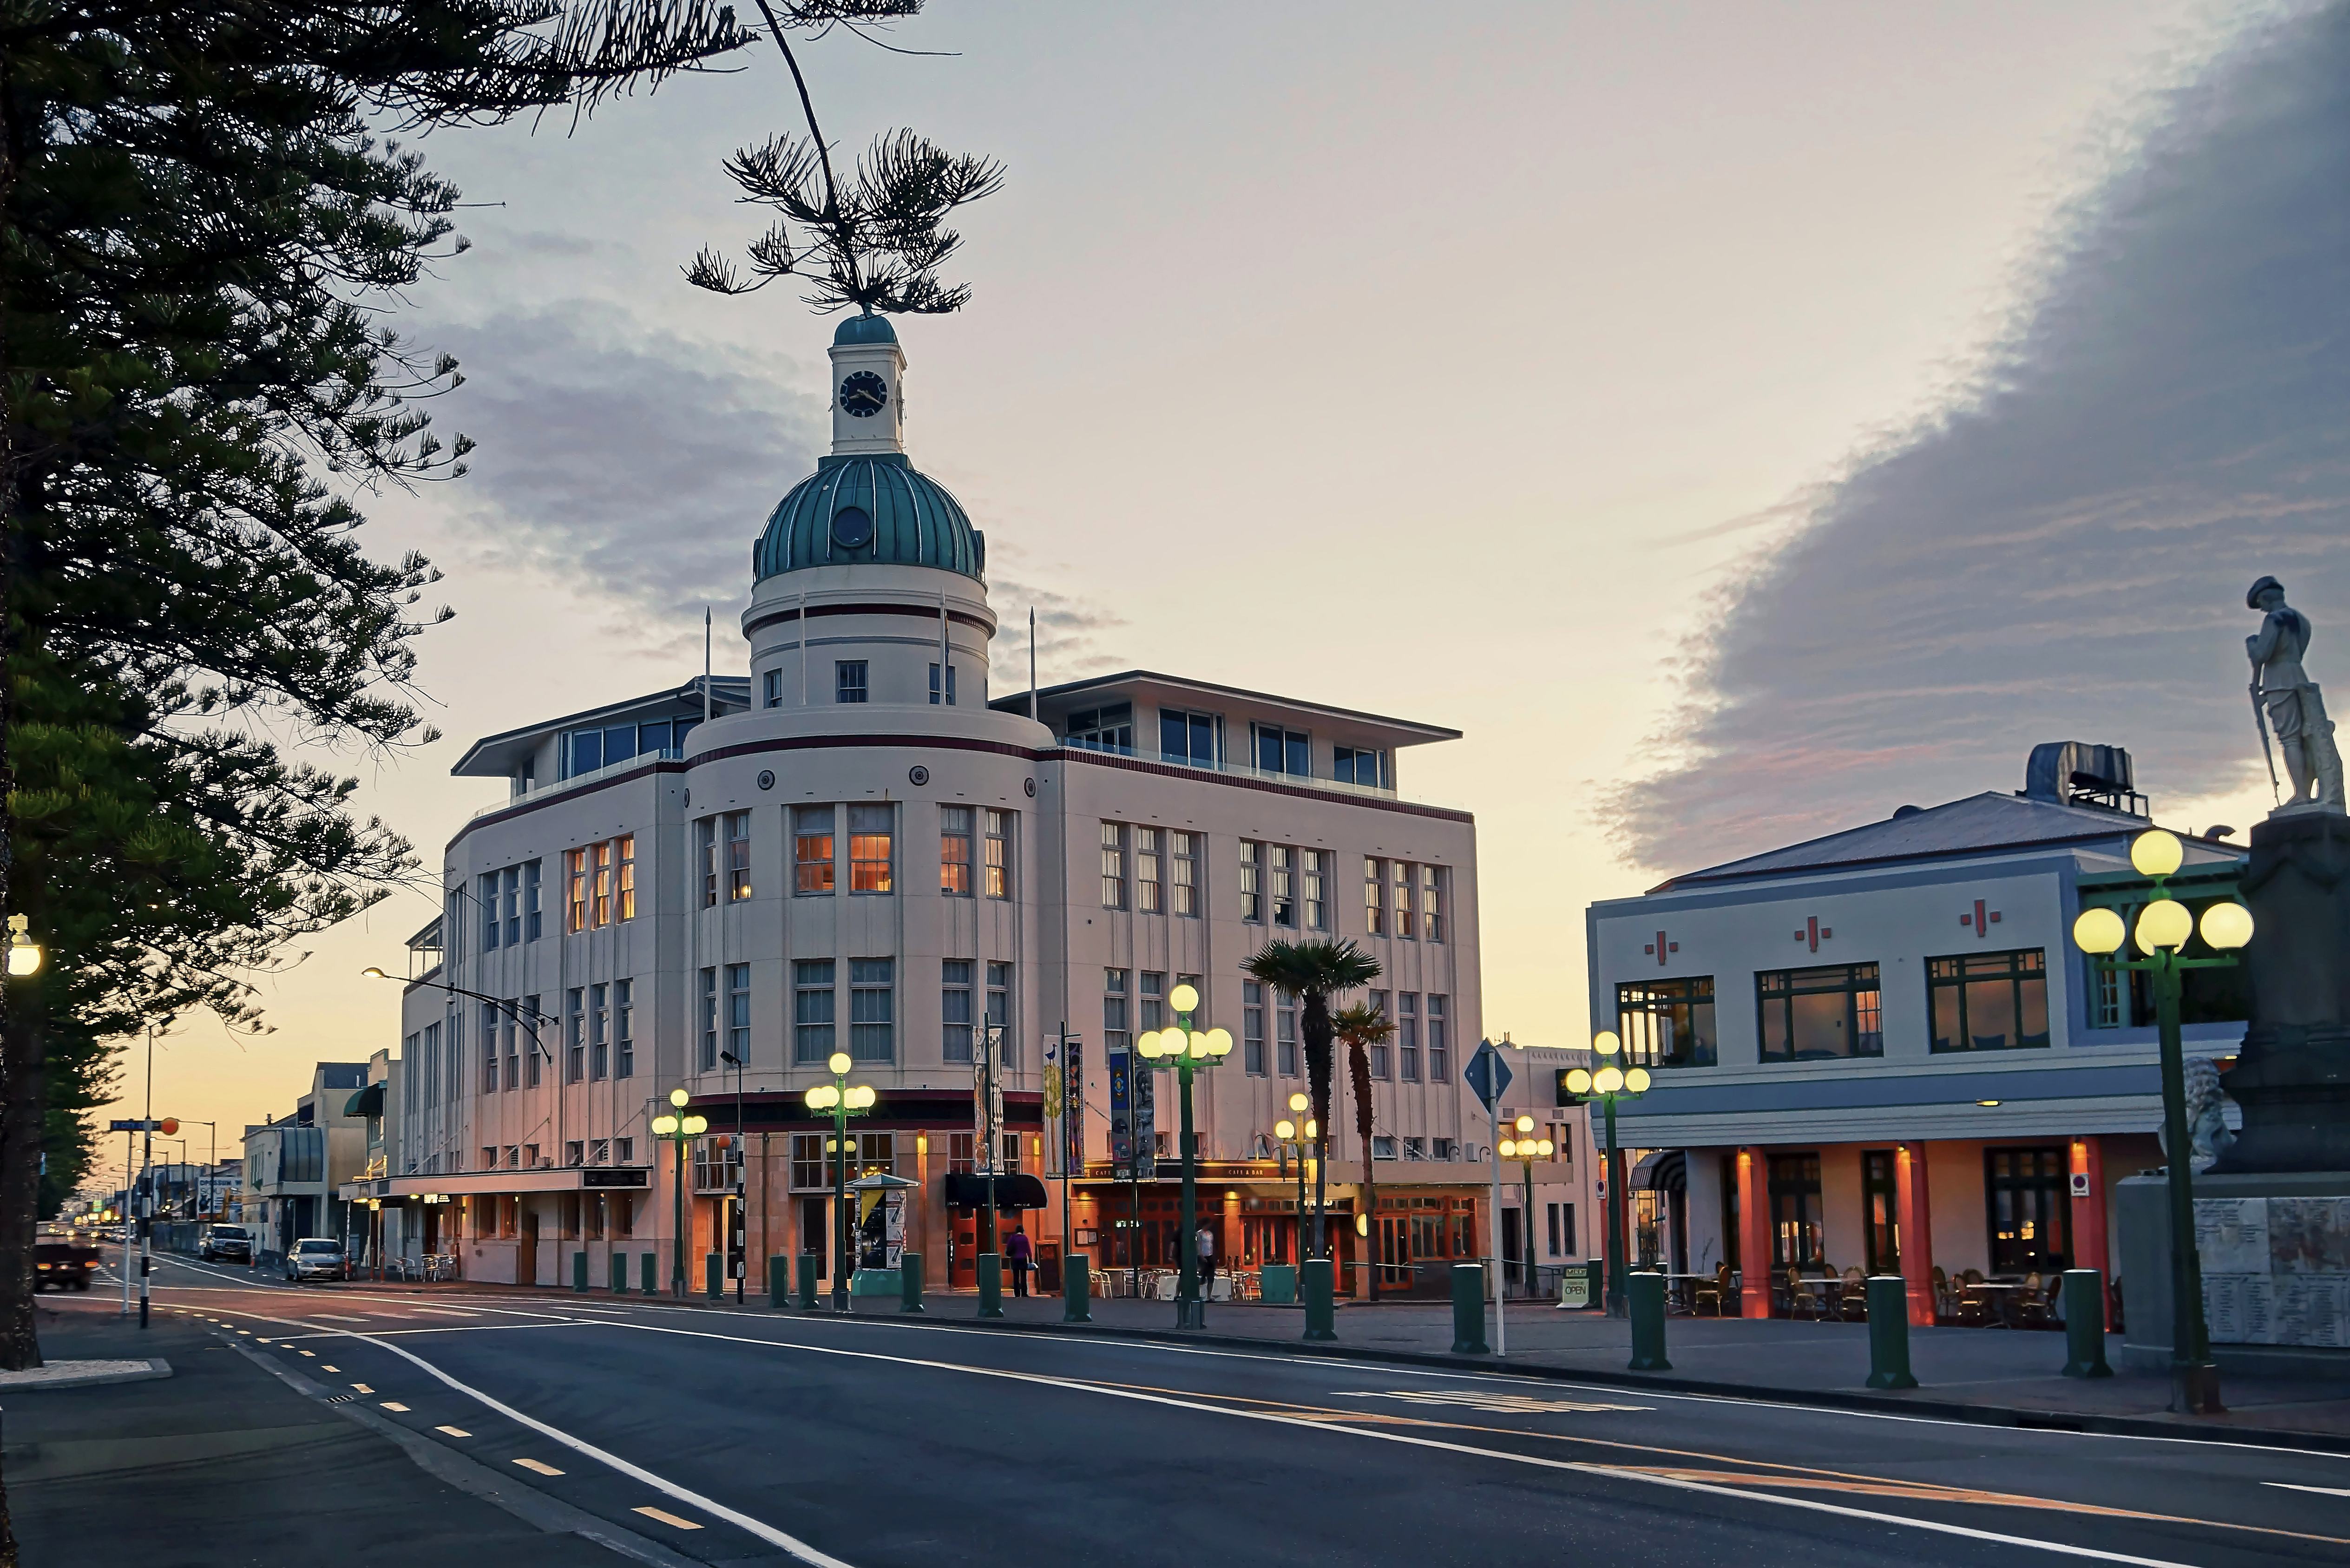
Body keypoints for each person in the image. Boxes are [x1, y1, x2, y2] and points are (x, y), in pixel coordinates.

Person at [1004, 1224, 1032, 1298]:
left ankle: (1017, 1293)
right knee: (1023, 1276)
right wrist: (1030, 1258)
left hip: (1015, 1259)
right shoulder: (1025, 1238)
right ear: (1022, 1231)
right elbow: (1028, 1249)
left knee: (1016, 1277)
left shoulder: (1013, 1238)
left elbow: (1009, 1247)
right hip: (1023, 1259)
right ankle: (1024, 1293)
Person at [1194, 1223, 1216, 1295]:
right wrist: (1201, 1256)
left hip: (1210, 1256)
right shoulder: (1199, 1234)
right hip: (1202, 1256)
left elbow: (1211, 1245)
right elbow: (1198, 1245)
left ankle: (1209, 1296)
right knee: (1202, 1277)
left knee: (1211, 1277)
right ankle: (1196, 1293)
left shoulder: (1210, 1234)